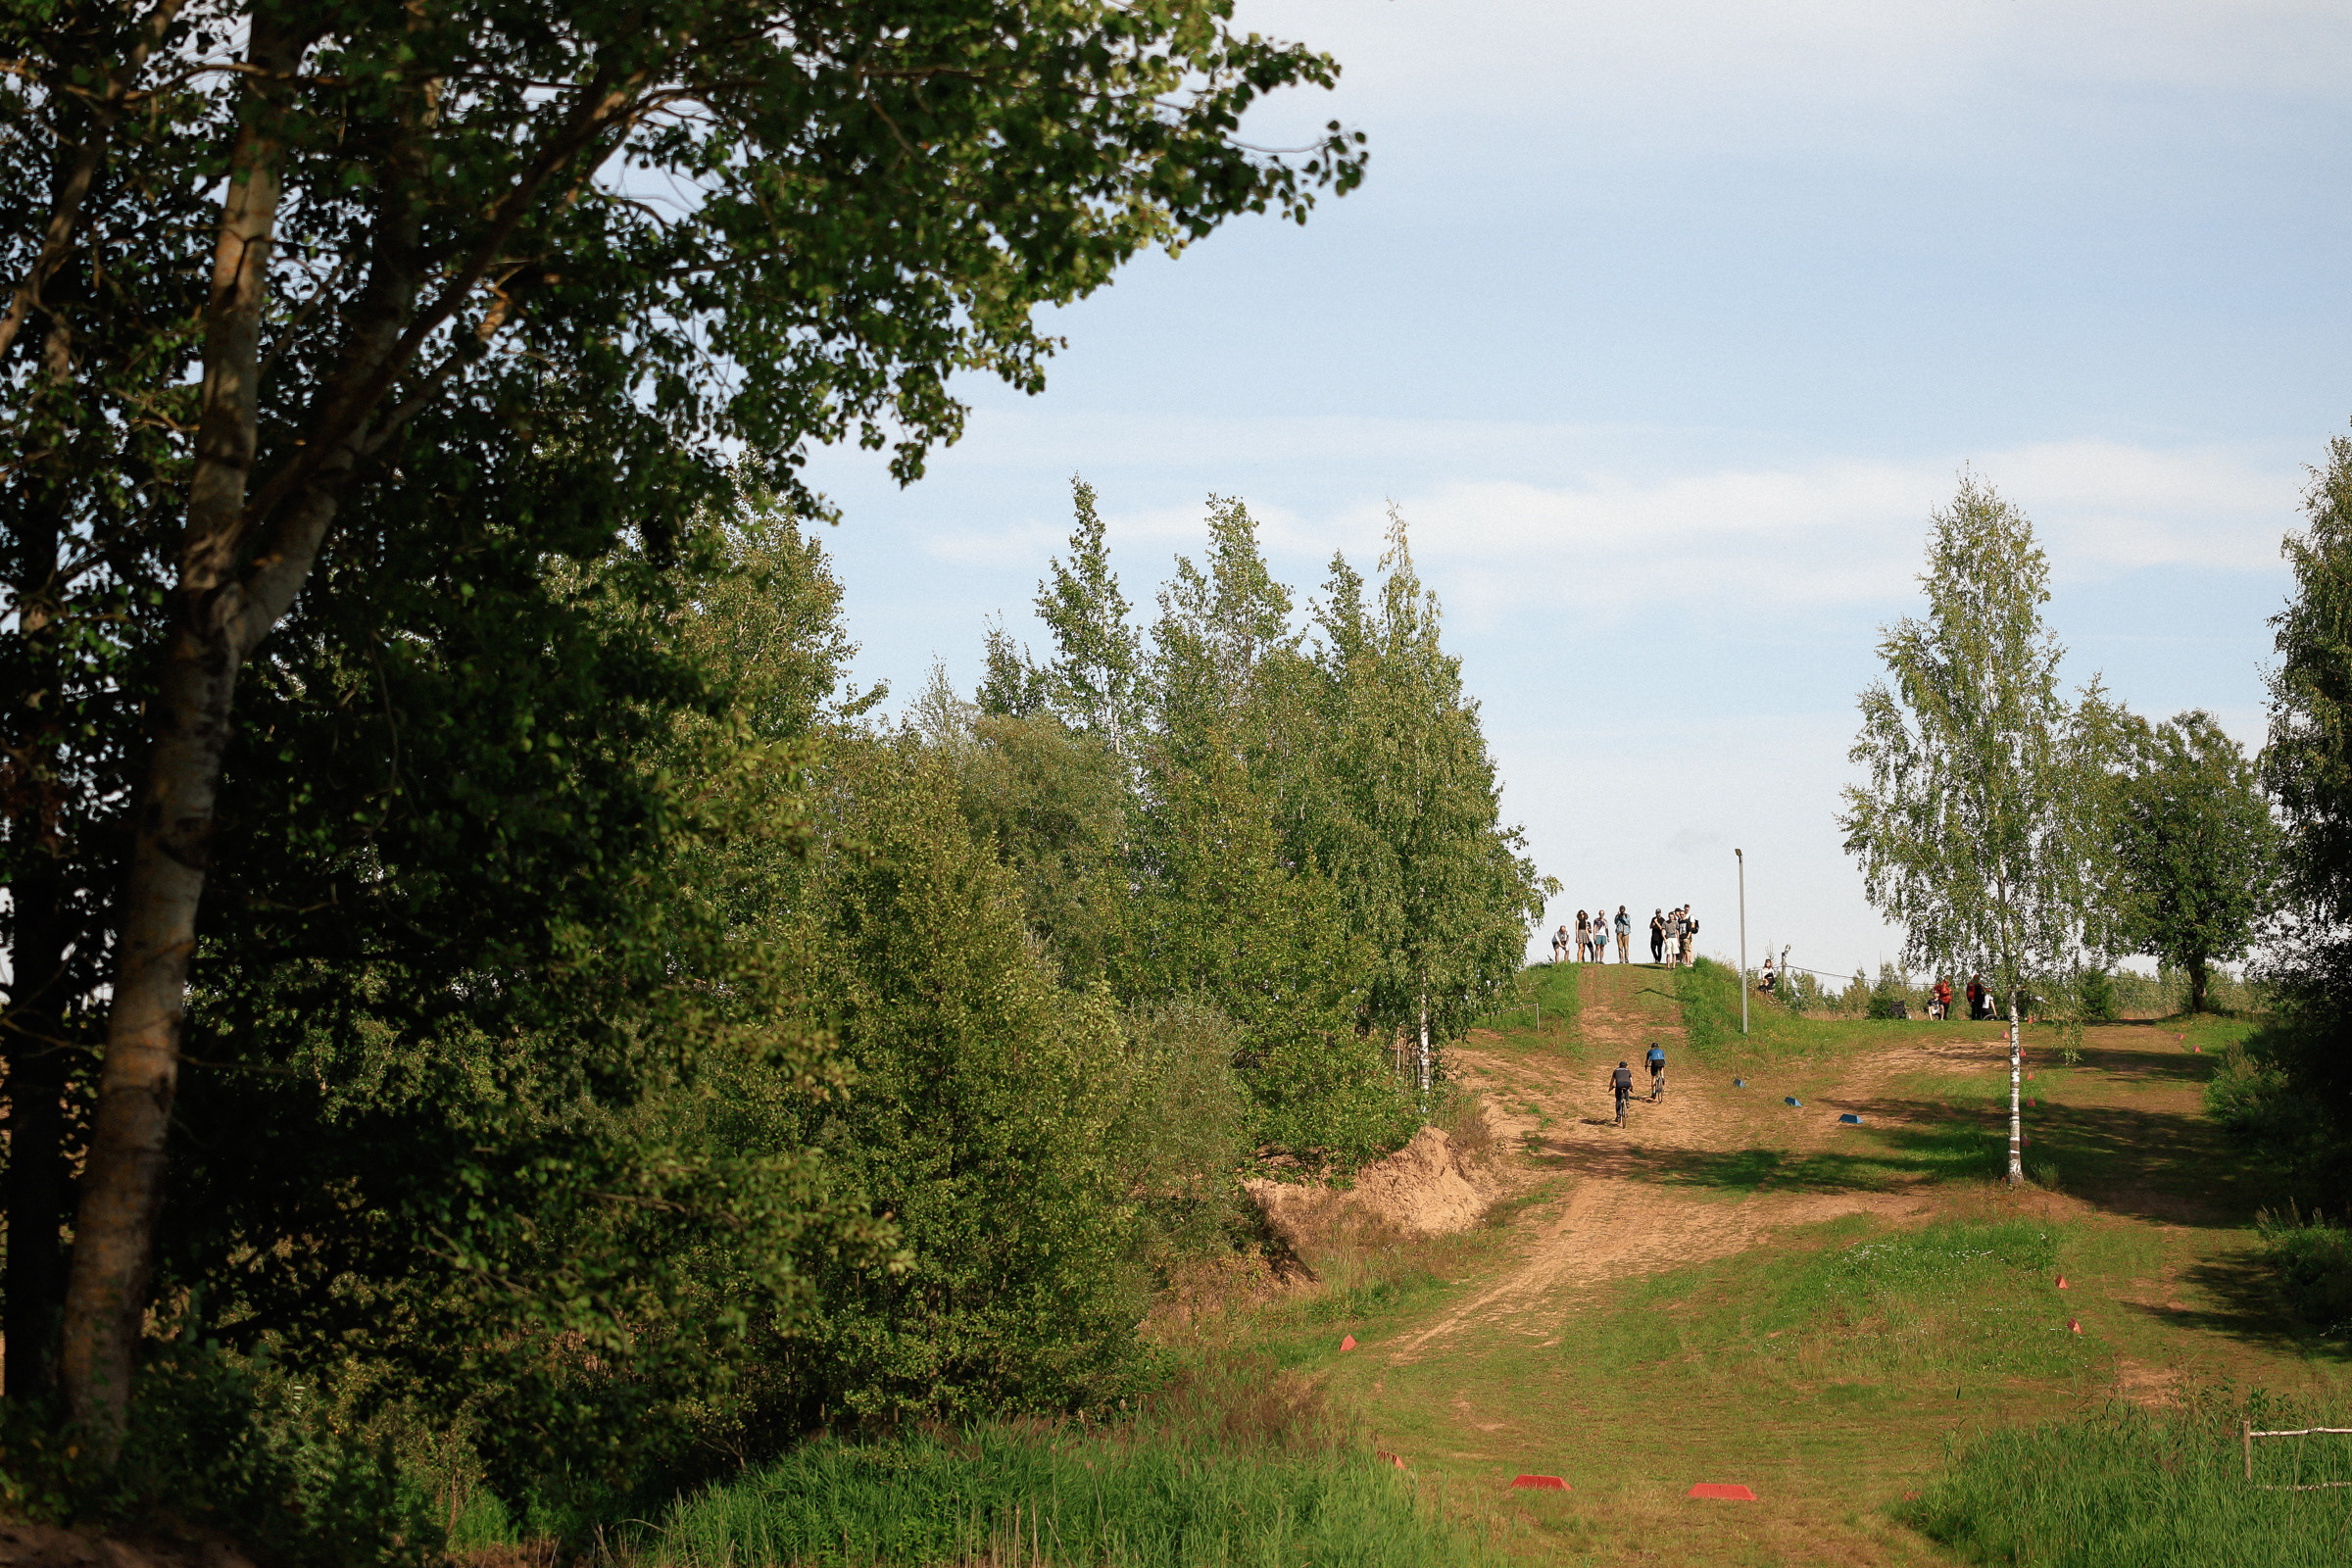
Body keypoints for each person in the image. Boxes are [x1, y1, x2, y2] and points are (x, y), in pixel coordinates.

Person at [1610, 1058, 1635, 1125]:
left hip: (1619, 1085)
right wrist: (1631, 1088)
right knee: (1626, 1089)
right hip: (1627, 1084)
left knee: (1618, 1099)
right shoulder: (1628, 1071)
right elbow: (1631, 1082)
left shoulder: (1616, 1071)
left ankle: (1618, 1115)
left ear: (1619, 1065)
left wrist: (1610, 1087)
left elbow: (1612, 1081)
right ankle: (1627, 1102)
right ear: (1626, 1066)